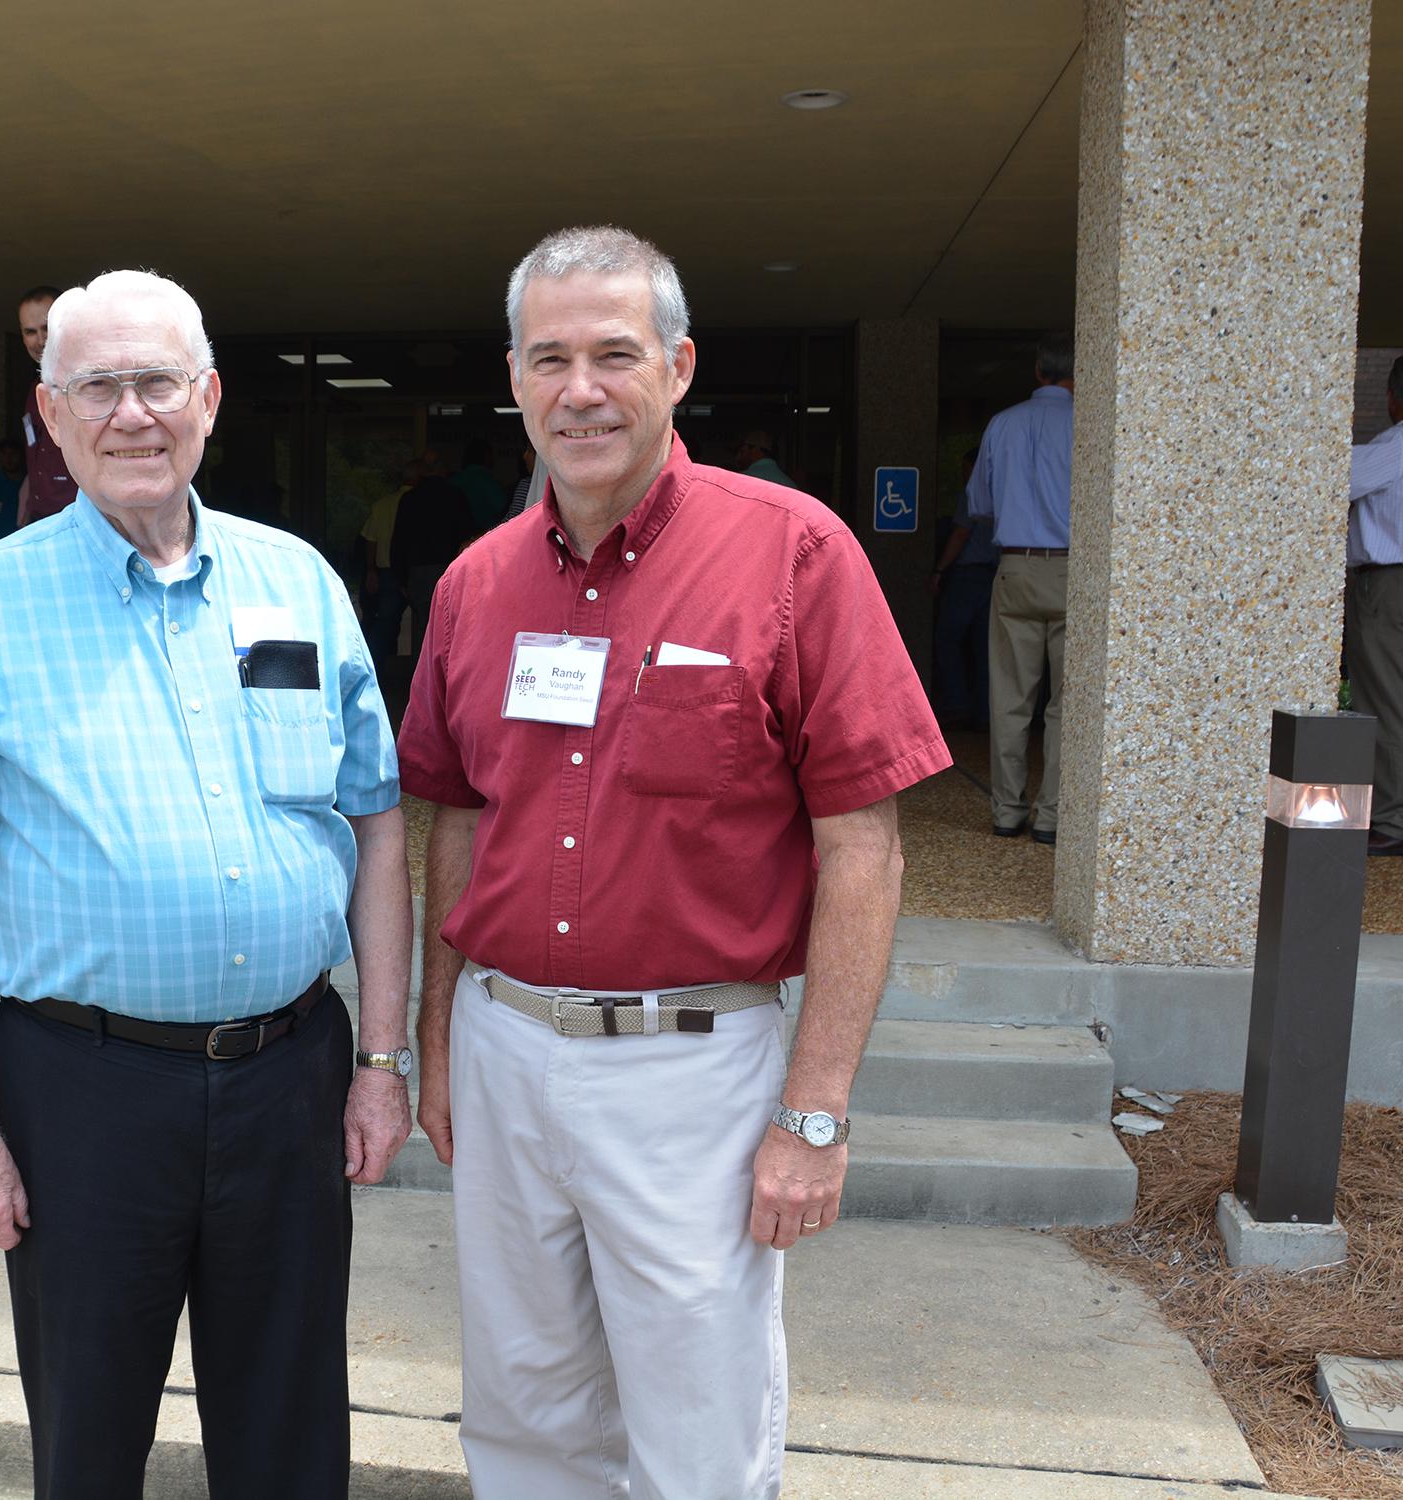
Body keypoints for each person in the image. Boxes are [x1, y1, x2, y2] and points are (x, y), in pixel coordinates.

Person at [397, 226, 949, 1500]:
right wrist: (434, 1041)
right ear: (514, 377)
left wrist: (812, 1116)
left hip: (691, 1073)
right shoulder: (475, 584)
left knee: (698, 1427)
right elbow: (458, 818)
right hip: (501, 1046)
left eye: (612, 354)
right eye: (549, 359)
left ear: (678, 366)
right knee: (524, 1409)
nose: (578, 389)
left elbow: (860, 841)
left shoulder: (793, 553)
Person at [0, 269, 414, 1500]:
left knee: (289, 1433)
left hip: (289, 1078)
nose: (130, 415)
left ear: (207, 399)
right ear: (49, 417)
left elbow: (376, 825)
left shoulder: (301, 584)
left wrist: (379, 1063)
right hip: (80, 1093)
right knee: (88, 1435)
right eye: (95, 387)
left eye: (155, 382)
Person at [968, 332, 1074, 843]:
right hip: (1077, 572)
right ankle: (1051, 817)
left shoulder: (1002, 425)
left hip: (1015, 567)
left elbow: (979, 504)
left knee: (1010, 697)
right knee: (1066, 703)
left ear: (1037, 370)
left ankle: (1007, 810)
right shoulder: (1089, 423)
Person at [1346, 355, 1403, 855]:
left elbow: (1327, 483)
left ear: (1391, 399)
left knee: (1384, 701)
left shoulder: (1391, 449)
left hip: (1389, 586)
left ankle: (1390, 820)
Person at [929, 447, 998, 730]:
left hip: (968, 574)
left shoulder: (973, 493)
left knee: (947, 638)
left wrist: (939, 570)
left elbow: (960, 533)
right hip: (997, 574)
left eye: (965, 468)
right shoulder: (1005, 491)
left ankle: (957, 703)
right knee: (985, 646)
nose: (963, 474)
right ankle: (984, 711)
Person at [389, 451, 474, 658]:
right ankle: (447, 681)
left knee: (422, 626)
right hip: (448, 567)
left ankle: (422, 681)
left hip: (417, 570)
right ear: (443, 471)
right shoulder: (456, 496)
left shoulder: (410, 499)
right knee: (451, 627)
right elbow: (468, 535)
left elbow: (399, 540)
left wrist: (400, 577)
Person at [12, 284, 77, 525]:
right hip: (42, 520)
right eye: (30, 332)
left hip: (82, 521)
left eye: (47, 329)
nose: (40, 341)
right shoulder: (35, 388)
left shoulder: (90, 384)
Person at [359, 458, 415, 669]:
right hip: (415, 570)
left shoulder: (382, 505)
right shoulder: (420, 502)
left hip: (387, 570)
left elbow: (370, 539)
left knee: (386, 623)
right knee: (425, 624)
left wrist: (371, 570)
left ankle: (371, 668)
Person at [452, 437, 506, 531]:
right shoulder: (488, 481)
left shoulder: (455, 480)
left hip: (457, 536)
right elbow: (504, 509)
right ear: (486, 456)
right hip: (485, 535)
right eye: (491, 455)